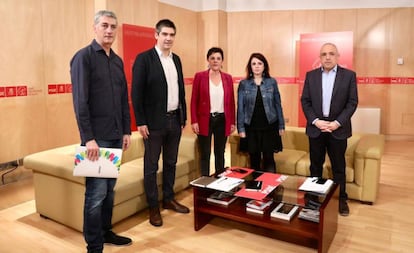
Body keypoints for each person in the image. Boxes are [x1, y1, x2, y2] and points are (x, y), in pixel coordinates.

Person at [70, 10, 132, 253]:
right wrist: (88, 139)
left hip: (116, 136)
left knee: (109, 191)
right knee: (95, 194)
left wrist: (127, 130)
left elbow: (123, 100)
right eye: (105, 25)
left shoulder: (116, 61)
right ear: (94, 28)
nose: (109, 31)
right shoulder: (82, 58)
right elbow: (80, 102)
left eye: (113, 27)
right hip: (96, 139)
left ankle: (106, 232)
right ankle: (94, 245)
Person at [131, 19, 189, 227]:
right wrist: (140, 121)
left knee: (171, 162)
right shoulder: (144, 59)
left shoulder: (177, 60)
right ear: (156, 35)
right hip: (153, 124)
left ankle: (168, 198)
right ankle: (153, 206)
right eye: (164, 34)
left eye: (172, 35)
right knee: (151, 166)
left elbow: (181, 90)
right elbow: (136, 94)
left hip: (175, 119)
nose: (168, 38)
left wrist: (184, 116)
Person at [300, 42, 358, 216]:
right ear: (319, 57)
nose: (327, 57)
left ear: (338, 56)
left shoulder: (348, 76)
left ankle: (340, 199)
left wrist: (337, 123)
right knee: (315, 166)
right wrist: (316, 121)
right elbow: (305, 101)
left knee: (339, 167)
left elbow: (352, 102)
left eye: (331, 53)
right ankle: (313, 199)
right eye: (324, 54)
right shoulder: (311, 76)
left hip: (337, 129)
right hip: (316, 128)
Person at [190, 47, 236, 177]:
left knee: (220, 152)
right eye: (212, 58)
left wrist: (232, 122)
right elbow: (194, 100)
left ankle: (219, 182)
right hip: (205, 119)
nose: (215, 61)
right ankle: (204, 182)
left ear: (222, 61)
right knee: (205, 153)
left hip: (222, 119)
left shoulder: (227, 78)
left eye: (218, 58)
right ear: (208, 60)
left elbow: (232, 102)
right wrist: (194, 121)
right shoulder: (200, 76)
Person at [237, 53, 285, 173]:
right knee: (254, 160)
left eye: (260, 63)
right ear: (250, 67)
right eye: (254, 64)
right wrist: (241, 128)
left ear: (264, 66)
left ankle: (271, 188)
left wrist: (281, 125)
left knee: (269, 159)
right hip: (251, 127)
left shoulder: (272, 82)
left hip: (270, 126)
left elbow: (278, 104)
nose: (257, 66)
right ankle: (256, 189)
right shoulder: (244, 84)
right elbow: (240, 108)